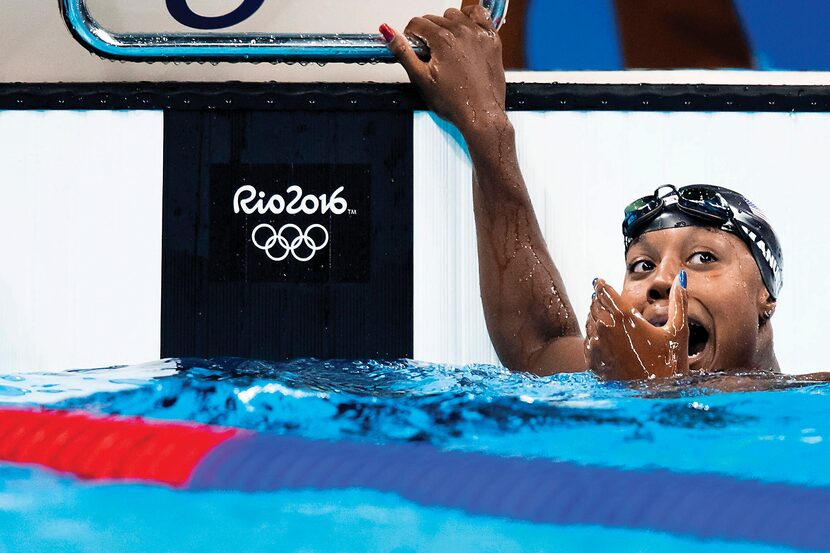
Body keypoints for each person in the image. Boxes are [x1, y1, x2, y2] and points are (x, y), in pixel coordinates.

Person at [378, 7, 788, 381]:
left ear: (765, 297)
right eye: (641, 265)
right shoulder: (611, 377)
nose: (662, 279)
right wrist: (484, 125)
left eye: (703, 258)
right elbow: (538, 345)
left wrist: (661, 391)